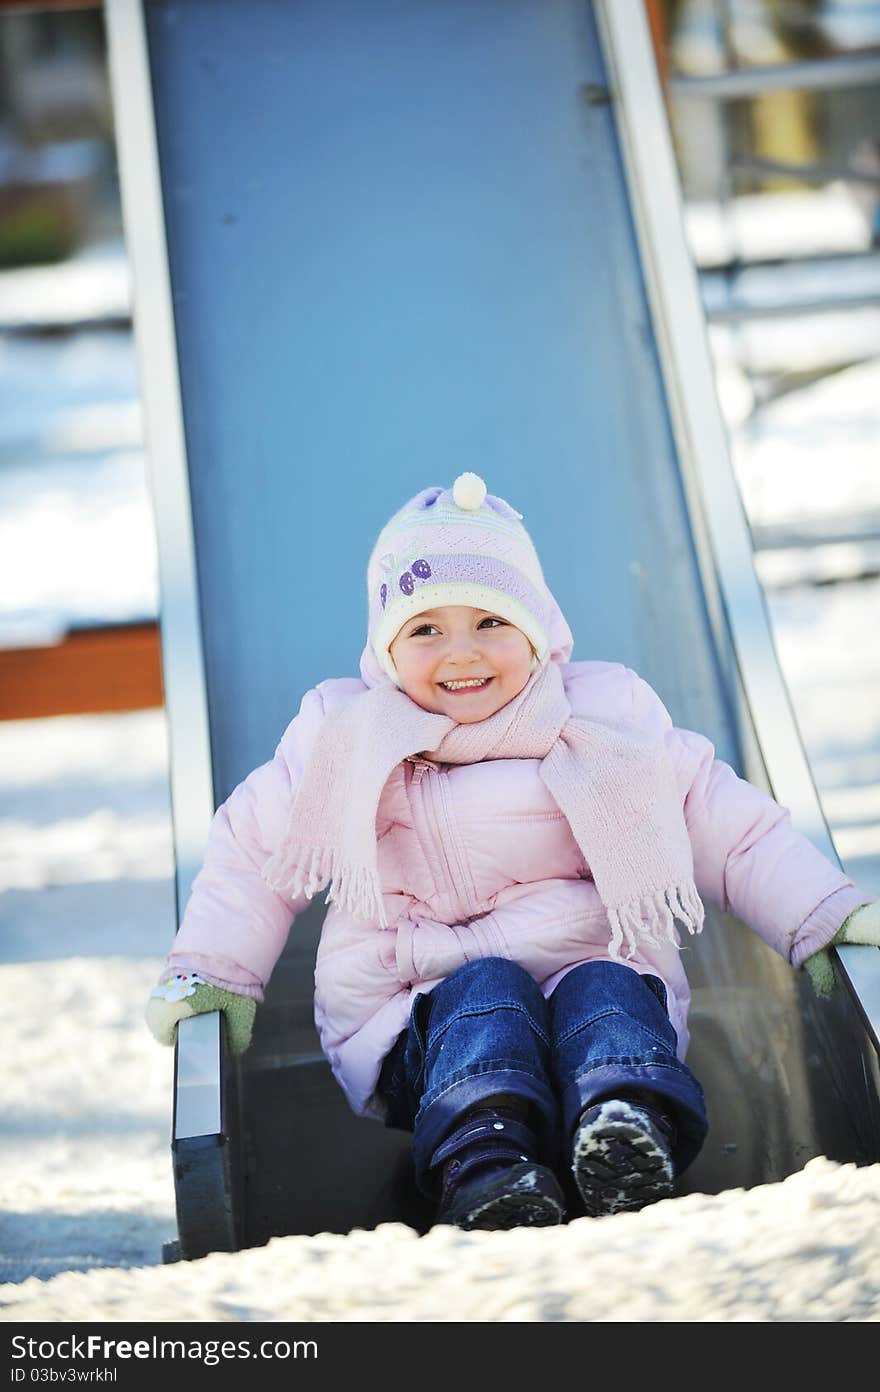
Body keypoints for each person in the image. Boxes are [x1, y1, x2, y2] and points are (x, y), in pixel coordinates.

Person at [146, 472, 880, 1230]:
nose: (460, 653)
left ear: (537, 630)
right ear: (386, 649)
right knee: (487, 988)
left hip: (594, 989)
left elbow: (724, 821)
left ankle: (624, 1125)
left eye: (490, 622)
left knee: (607, 984)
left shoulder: (603, 717)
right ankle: (483, 1160)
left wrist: (819, 914)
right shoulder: (348, 737)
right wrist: (215, 973)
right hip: (416, 1018)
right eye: (425, 630)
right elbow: (252, 855)